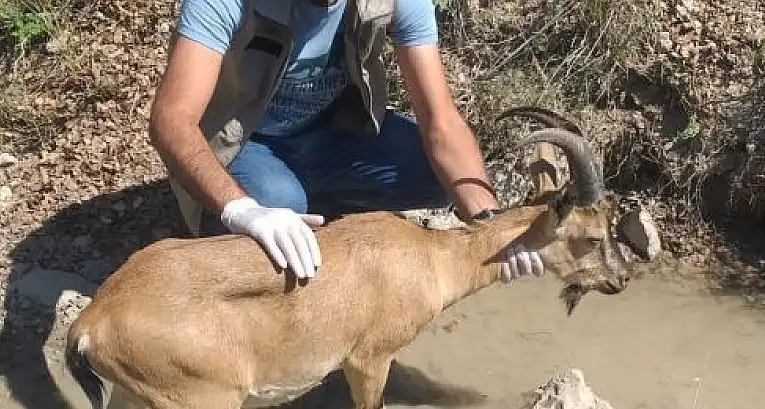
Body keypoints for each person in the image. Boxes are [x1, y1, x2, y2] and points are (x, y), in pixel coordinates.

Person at [147, 0, 545, 281]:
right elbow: (172, 120)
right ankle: (239, 228)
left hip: (333, 135)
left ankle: (317, 216)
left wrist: (493, 227)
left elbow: (439, 118)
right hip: (248, 145)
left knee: (434, 173)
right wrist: (242, 211)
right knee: (278, 203)